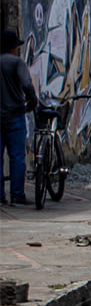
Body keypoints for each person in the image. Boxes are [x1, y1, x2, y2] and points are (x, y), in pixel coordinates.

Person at [1, 29, 37, 206]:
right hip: (14, 115)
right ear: (14, 47)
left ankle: (0, 195)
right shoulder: (17, 63)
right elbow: (26, 84)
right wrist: (32, 101)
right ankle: (17, 194)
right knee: (17, 157)